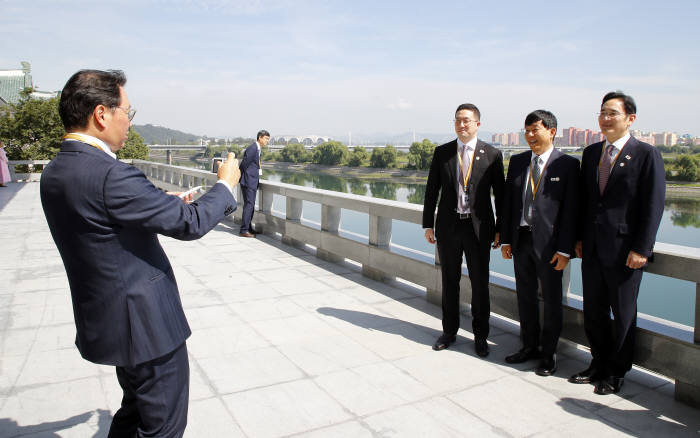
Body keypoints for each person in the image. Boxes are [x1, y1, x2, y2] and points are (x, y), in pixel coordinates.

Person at [40, 69, 240, 437]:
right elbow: (190, 224)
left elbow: (97, 224)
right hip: (146, 327)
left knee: (133, 411)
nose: (130, 123)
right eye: (127, 113)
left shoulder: (55, 171)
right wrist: (226, 186)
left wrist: (155, 204)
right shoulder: (110, 175)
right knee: (163, 426)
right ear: (101, 114)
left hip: (112, 322)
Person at [569, 91, 665, 395]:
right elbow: (585, 203)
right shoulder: (592, 152)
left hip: (625, 251)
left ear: (630, 118)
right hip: (593, 248)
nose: (605, 119)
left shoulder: (646, 154)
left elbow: (653, 205)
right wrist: (579, 238)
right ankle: (597, 362)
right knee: (593, 309)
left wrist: (642, 248)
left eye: (612, 113)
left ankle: (616, 371)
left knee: (623, 312)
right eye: (602, 113)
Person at [500, 110, 580, 376]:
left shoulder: (567, 165)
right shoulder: (518, 161)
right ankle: (529, 347)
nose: (530, 135)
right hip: (521, 240)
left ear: (552, 131)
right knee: (525, 298)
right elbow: (509, 204)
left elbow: (571, 211)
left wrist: (565, 249)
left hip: (550, 246)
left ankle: (548, 354)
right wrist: (506, 239)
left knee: (552, 300)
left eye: (536, 130)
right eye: (527, 130)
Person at [422, 103, 504, 357]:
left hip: (479, 228)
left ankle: (481, 336)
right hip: (449, 226)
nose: (462, 125)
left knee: (480, 284)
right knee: (450, 281)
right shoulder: (443, 152)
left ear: (477, 124)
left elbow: (500, 195)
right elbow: (431, 190)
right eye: (458, 120)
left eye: (467, 120)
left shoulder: (492, 154)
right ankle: (449, 331)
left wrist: (501, 229)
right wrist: (427, 223)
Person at [238, 130, 269, 237]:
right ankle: (244, 230)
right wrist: (242, 177)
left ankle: (249, 228)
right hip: (248, 181)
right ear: (260, 137)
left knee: (250, 205)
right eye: (266, 138)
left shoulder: (257, 148)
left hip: (252, 181)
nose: (267, 141)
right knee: (249, 205)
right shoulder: (253, 148)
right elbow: (244, 164)